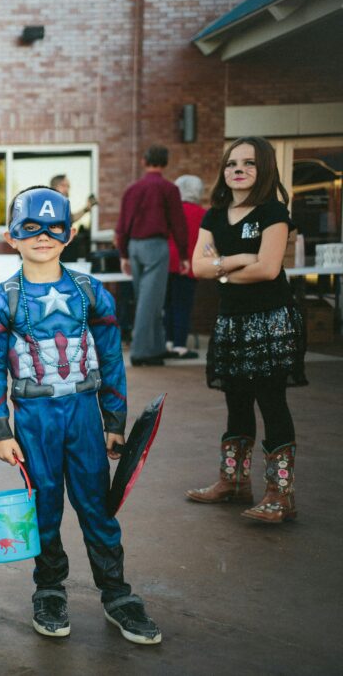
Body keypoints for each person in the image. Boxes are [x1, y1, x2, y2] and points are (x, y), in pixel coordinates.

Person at [0, 186, 162, 645]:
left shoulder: (89, 292)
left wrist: (114, 421)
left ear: (71, 233)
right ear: (10, 236)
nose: (43, 236)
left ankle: (116, 592)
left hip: (82, 413)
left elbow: (111, 359)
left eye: (53, 227)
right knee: (43, 508)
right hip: (35, 417)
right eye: (30, 228)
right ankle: (49, 588)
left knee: (97, 506)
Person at [186, 136, 305, 523]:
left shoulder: (273, 213)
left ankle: (279, 494)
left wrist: (220, 269)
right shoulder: (214, 216)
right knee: (235, 401)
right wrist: (238, 260)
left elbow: (268, 269)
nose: (238, 169)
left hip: (270, 320)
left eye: (249, 163)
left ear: (265, 168)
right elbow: (198, 267)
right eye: (232, 163)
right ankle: (234, 482)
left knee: (271, 401)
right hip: (232, 321)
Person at [115, 145, 189, 366]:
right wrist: (184, 254)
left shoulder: (132, 189)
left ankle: (155, 348)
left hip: (134, 246)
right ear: (165, 163)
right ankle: (140, 352)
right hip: (156, 245)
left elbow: (122, 225)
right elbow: (178, 224)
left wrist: (124, 254)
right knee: (150, 300)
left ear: (143, 161)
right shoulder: (169, 189)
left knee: (148, 298)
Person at [163, 175, 205, 360]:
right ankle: (180, 346)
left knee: (167, 305)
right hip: (187, 264)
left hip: (165, 264)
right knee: (182, 306)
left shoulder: (169, 211)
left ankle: (168, 342)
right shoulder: (203, 214)